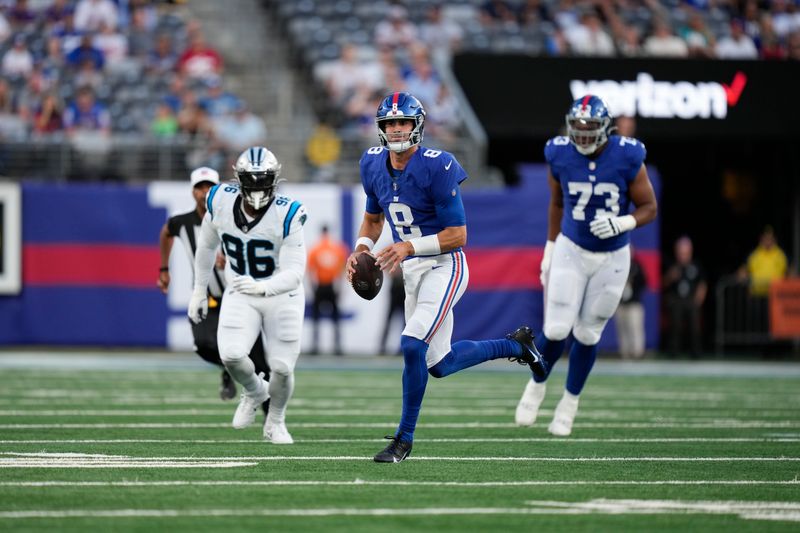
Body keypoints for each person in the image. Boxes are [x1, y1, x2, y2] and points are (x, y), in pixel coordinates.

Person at [348, 92, 546, 463]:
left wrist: (408, 246)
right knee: (439, 365)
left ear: (417, 125)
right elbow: (373, 219)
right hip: (412, 271)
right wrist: (361, 248)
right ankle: (518, 346)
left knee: (410, 344)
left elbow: (458, 235)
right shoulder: (372, 163)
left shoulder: (437, 165)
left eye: (402, 122)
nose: (395, 129)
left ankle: (403, 440)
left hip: (446, 265)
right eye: (389, 123)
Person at [515, 95, 658, 436]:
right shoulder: (559, 152)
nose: (581, 134)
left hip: (613, 256)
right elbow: (556, 203)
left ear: (605, 128)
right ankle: (536, 385)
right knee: (556, 329)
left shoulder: (627, 154)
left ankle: (569, 403)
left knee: (588, 332)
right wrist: (549, 248)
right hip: (571, 247)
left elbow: (649, 206)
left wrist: (623, 223)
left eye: (589, 127)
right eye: (576, 127)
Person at [188, 147, 308, 444]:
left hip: (283, 294)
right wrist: (199, 290)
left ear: (273, 179)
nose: (256, 187)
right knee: (230, 354)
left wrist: (265, 287)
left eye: (262, 179)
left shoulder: (288, 212)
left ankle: (276, 421)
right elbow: (205, 247)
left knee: (281, 367)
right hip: (241, 290)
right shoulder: (219, 200)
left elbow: (295, 273)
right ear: (238, 179)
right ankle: (254, 391)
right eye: (250, 180)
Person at [158, 167, 271, 409]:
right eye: (199, 187)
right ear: (192, 192)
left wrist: (232, 257)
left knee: (262, 365)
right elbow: (166, 232)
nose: (204, 192)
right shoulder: (183, 222)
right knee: (205, 345)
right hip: (206, 299)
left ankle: (272, 420)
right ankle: (229, 368)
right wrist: (163, 269)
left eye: (209, 187)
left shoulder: (235, 218)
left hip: (239, 297)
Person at [307, 225, 348, 355]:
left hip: (320, 285)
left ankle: (315, 346)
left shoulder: (316, 248)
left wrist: (312, 287)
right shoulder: (337, 248)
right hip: (331, 285)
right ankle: (337, 347)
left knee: (316, 318)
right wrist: (340, 287)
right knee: (335, 317)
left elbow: (310, 271)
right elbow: (342, 270)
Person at [663, 236, 706, 357]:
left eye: (685, 252)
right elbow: (663, 283)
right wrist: (670, 277)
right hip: (675, 299)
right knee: (675, 325)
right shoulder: (672, 265)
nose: (682, 255)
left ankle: (695, 352)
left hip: (691, 300)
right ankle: (673, 352)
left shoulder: (696, 265)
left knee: (694, 326)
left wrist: (698, 299)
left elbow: (702, 283)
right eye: (680, 252)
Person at [615, 251, 647, 359]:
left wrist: (633, 284)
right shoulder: (617, 266)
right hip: (621, 303)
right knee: (622, 329)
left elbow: (644, 282)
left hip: (634, 303)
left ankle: (637, 353)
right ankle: (624, 353)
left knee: (635, 328)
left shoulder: (637, 266)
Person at [380, 267, 406, 355]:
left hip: (405, 288)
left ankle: (402, 348)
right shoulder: (395, 254)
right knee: (389, 319)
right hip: (396, 287)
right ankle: (382, 346)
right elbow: (387, 264)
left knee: (405, 321)